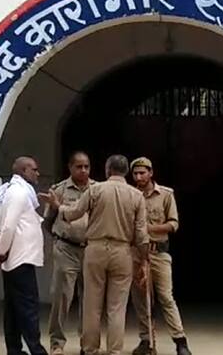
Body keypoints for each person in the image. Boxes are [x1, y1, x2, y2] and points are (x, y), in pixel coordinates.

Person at [39, 154, 149, 355]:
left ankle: (90, 349)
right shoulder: (136, 196)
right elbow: (141, 234)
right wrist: (143, 260)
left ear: (108, 169)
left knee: (92, 304)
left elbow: (72, 214)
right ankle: (114, 351)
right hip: (122, 250)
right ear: (126, 171)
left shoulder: (95, 190)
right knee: (117, 307)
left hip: (95, 249)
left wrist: (58, 206)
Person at [129, 157, 192, 355]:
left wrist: (148, 228)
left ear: (151, 173)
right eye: (135, 173)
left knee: (166, 297)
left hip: (159, 252)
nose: (139, 177)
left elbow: (173, 224)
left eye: (142, 173)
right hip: (137, 253)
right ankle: (146, 340)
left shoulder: (165, 194)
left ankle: (180, 341)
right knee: (141, 299)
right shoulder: (130, 195)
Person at [0, 156, 48, 355]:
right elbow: (7, 227)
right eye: (34, 169)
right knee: (28, 308)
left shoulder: (19, 192)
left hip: (17, 259)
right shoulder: (19, 193)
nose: (38, 173)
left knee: (14, 308)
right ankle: (36, 350)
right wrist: (0, 254)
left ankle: (14, 350)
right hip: (19, 260)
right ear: (23, 171)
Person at [43, 151, 95, 355]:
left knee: (90, 299)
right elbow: (48, 221)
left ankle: (87, 343)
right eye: (79, 166)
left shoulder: (97, 189)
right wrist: (60, 238)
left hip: (91, 250)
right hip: (66, 249)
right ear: (70, 167)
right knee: (62, 297)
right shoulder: (59, 190)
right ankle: (57, 343)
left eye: (86, 166)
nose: (83, 170)